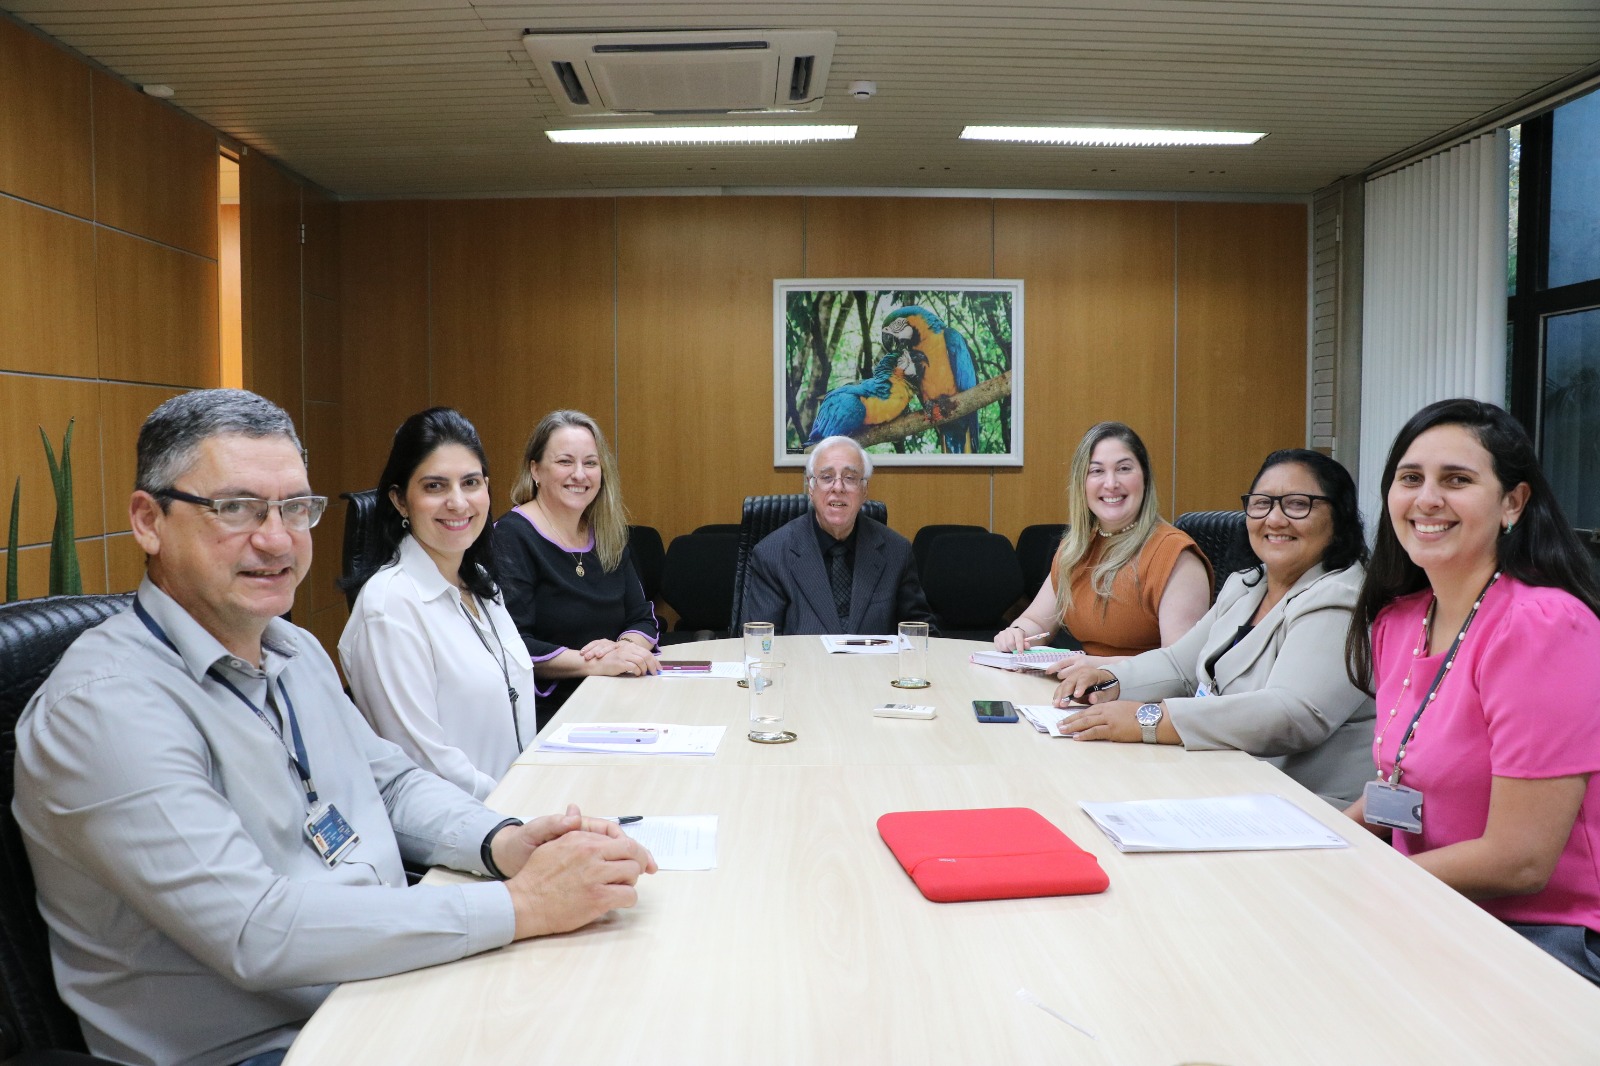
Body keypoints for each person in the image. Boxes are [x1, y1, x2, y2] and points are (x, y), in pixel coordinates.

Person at [12, 390, 655, 1066]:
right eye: (236, 508)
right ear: (149, 521)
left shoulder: (291, 650)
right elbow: (257, 931)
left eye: (295, 508)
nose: (276, 537)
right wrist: (521, 908)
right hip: (270, 1047)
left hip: (380, 984)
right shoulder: (105, 709)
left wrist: (504, 842)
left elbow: (395, 784)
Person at [1343, 398, 1600, 984]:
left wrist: (1358, 882)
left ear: (1513, 502)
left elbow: (1521, 860)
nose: (1427, 499)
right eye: (1411, 479)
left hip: (1542, 938)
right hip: (1424, 906)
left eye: (1456, 480)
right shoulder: (1400, 620)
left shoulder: (1543, 626)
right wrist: (1315, 845)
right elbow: (1399, 785)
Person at [1053, 448, 1375, 807]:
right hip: (1229, 779)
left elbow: (1292, 714)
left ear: (1338, 517)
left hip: (1306, 803)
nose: (1276, 519)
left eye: (1298, 504)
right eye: (1262, 503)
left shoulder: (1342, 598)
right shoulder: (1249, 585)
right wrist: (1109, 683)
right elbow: (1180, 665)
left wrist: (1152, 720)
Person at [338, 407, 534, 799]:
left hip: (518, 812)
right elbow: (424, 767)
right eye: (435, 486)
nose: (458, 502)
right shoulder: (390, 606)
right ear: (399, 501)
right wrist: (516, 814)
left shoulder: (479, 581)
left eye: (471, 482)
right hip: (473, 833)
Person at [994, 422, 1211, 668]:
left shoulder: (1177, 556)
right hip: (1082, 690)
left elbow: (1180, 665)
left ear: (1145, 478)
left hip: (1145, 699)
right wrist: (1018, 633)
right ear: (1081, 483)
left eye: (1124, 469)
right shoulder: (1076, 548)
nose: (1111, 483)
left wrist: (1096, 667)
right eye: (1096, 471)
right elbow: (1038, 621)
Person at [493, 410, 659, 727]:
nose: (579, 474)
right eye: (565, 462)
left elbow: (643, 617)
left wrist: (624, 650)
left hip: (618, 696)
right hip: (550, 712)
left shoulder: (608, 532)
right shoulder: (511, 536)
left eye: (590, 463)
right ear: (535, 470)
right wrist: (595, 663)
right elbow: (513, 645)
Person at [743, 434, 936, 635]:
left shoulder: (896, 551)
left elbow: (921, 633)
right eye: (826, 477)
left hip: (874, 666)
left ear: (864, 490)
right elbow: (760, 645)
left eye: (850, 478)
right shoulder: (772, 554)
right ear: (810, 487)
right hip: (804, 666)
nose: (838, 487)